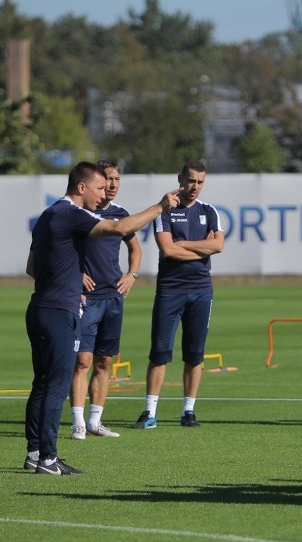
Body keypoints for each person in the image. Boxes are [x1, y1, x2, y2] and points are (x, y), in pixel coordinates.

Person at [24, 161, 178, 475]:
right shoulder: (72, 213)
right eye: (98, 187)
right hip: (58, 312)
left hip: (39, 307)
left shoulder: (47, 215)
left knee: (40, 385)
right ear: (81, 187)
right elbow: (121, 228)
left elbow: (32, 267)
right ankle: (49, 460)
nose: (103, 192)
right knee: (55, 387)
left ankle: (34, 452)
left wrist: (64, 279)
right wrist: (160, 207)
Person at [133, 160, 224, 429]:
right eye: (191, 180)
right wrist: (201, 248)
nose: (195, 187)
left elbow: (218, 245)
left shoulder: (209, 211)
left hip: (201, 290)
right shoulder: (165, 211)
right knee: (160, 352)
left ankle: (189, 411)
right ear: (180, 178)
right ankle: (150, 411)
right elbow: (168, 251)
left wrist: (185, 243)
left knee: (195, 353)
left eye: (200, 182)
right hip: (170, 291)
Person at [69, 161, 140, 440]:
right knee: (83, 360)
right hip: (87, 299)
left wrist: (132, 274)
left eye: (117, 179)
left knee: (104, 362)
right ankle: (77, 422)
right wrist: (76, 274)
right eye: (107, 179)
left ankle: (95, 421)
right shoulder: (78, 213)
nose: (112, 184)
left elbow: (135, 248)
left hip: (113, 296)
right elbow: (60, 249)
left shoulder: (121, 215)